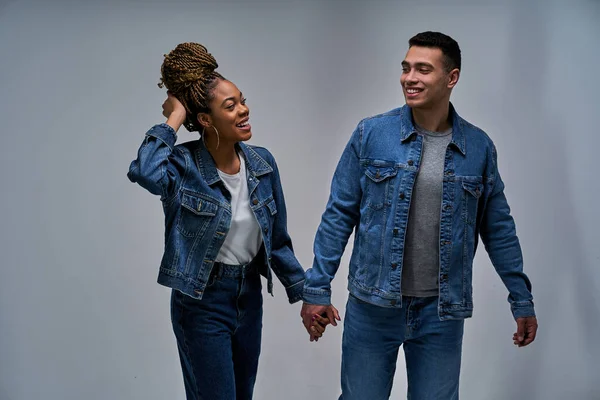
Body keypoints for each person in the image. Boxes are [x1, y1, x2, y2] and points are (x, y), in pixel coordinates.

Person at [300, 31, 538, 399]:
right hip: (372, 306)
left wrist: (520, 298)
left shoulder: (478, 147)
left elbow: (499, 229)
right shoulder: (371, 134)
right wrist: (317, 287)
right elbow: (338, 215)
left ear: (451, 78)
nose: (409, 78)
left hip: (441, 313)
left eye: (423, 69)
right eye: (406, 68)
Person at [127, 42, 325, 400]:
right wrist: (173, 118)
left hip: (249, 297)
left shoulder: (262, 164)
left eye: (243, 101)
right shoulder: (183, 166)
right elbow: (145, 172)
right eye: (230, 106)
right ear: (205, 119)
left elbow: (277, 242)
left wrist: (306, 297)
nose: (244, 110)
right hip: (201, 301)